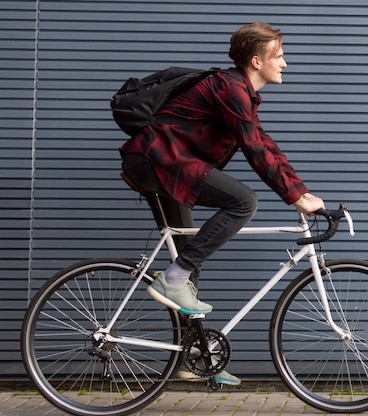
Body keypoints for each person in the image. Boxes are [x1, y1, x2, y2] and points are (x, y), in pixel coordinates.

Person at [119, 23, 325, 384]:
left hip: (164, 164)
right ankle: (173, 280)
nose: (286, 64)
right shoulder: (229, 89)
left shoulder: (239, 93)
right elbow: (255, 149)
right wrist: (294, 195)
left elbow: (264, 143)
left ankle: (193, 356)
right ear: (257, 60)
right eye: (280, 57)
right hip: (156, 160)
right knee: (243, 202)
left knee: (187, 266)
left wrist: (300, 192)